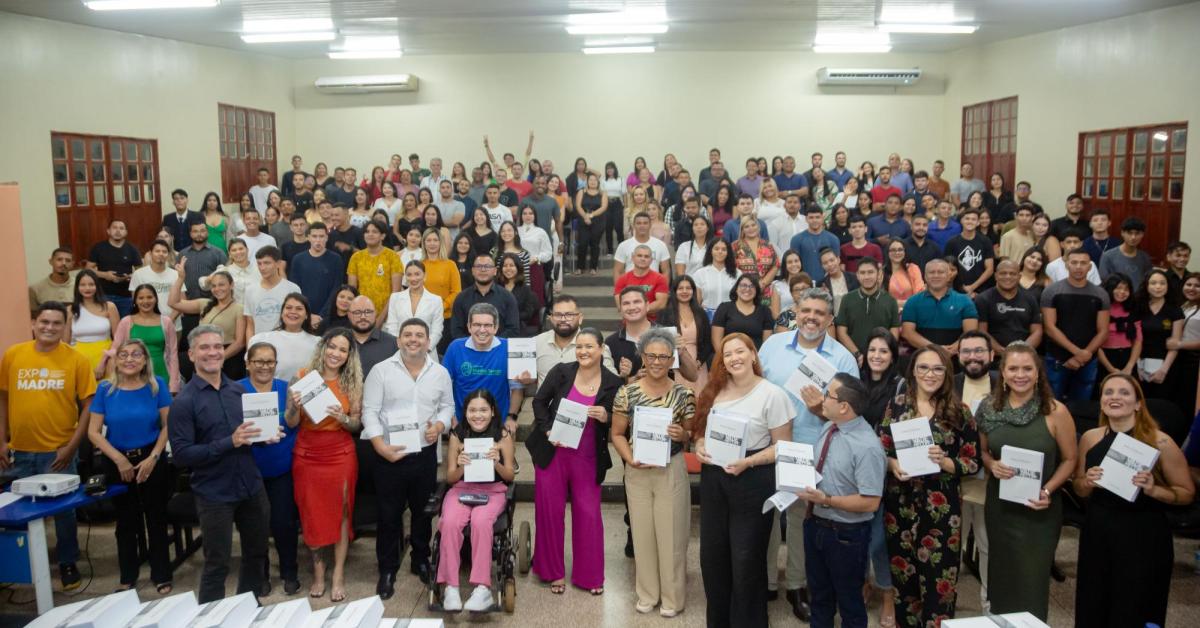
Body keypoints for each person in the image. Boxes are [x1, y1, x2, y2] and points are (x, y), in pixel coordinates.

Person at [759, 288, 859, 621]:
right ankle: (767, 580)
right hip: (770, 446)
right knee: (767, 513)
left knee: (803, 519)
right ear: (795, 312)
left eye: (819, 313)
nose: (811, 318)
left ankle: (798, 585)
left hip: (814, 450)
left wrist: (822, 410)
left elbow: (852, 413)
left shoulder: (842, 358)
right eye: (806, 311)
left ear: (830, 320)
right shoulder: (773, 345)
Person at [1072, 373, 1195, 628]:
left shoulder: (1159, 441)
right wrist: (1087, 482)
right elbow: (1079, 488)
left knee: (1135, 604)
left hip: (1143, 533)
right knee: (1095, 600)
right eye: (1109, 392)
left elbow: (1186, 493)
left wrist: (1154, 490)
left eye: (1124, 392)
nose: (1115, 397)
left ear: (1138, 403)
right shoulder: (1090, 438)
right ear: (1102, 400)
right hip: (1099, 530)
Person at [692, 333, 794, 627]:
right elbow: (699, 433)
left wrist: (747, 462)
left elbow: (782, 447)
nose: (734, 358)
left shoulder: (772, 394)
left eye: (740, 351)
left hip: (752, 479)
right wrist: (699, 446)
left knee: (745, 559)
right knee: (713, 558)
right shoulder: (713, 390)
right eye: (728, 354)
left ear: (753, 355)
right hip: (714, 481)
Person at [168, 324, 274, 603]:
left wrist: (265, 437)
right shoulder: (184, 402)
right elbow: (181, 455)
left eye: (218, 346)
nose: (213, 352)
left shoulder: (238, 391)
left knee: (256, 554)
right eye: (205, 347)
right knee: (218, 564)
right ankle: (210, 618)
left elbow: (247, 437)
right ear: (191, 354)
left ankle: (247, 608)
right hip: (214, 494)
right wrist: (230, 442)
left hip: (251, 487)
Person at [877, 346, 980, 627]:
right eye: (923, 367)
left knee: (940, 588)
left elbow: (973, 462)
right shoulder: (897, 403)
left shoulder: (960, 412)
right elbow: (881, 448)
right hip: (899, 507)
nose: (929, 374)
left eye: (937, 368)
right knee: (904, 585)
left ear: (947, 373)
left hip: (942, 512)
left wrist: (946, 462)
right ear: (913, 371)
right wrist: (892, 465)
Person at [975, 342, 1078, 620]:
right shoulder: (988, 408)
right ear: (1003, 372)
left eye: (1027, 368)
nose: (1020, 374)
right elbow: (982, 451)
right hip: (1001, 508)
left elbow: (1070, 459)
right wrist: (992, 464)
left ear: (1038, 373)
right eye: (1013, 368)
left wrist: (1048, 489)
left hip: (1039, 511)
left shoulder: (1055, 411)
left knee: (1032, 580)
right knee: (1002, 575)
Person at [0, 302, 97, 590]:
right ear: (34, 323)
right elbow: (3, 399)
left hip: (58, 451)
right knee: (16, 510)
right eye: (44, 322)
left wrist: (71, 447)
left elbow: (88, 407)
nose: (50, 328)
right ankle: (22, 564)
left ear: (65, 326)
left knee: (64, 511)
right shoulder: (13, 355)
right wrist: (2, 440)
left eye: (57, 323)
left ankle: (68, 561)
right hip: (19, 450)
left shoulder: (76, 360)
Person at [361, 318, 453, 597]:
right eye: (408, 334)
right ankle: (387, 569)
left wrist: (439, 425)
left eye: (420, 335)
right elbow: (369, 411)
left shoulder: (439, 372)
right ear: (398, 340)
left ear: (428, 341)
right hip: (389, 454)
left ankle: (420, 560)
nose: (414, 339)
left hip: (424, 455)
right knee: (388, 515)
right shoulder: (381, 371)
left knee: (423, 512)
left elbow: (447, 407)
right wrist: (379, 445)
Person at [528, 328, 623, 595]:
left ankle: (590, 575)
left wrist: (605, 416)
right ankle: (552, 572)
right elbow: (539, 402)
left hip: (587, 455)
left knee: (589, 514)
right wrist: (547, 430)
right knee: (549, 512)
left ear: (602, 349)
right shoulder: (561, 372)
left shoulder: (614, 382)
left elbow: (620, 420)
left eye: (589, 347)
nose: (583, 351)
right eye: (579, 347)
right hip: (553, 452)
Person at [609, 329, 696, 617]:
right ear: (642, 357)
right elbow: (617, 433)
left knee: (672, 534)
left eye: (663, 356)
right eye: (651, 355)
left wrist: (681, 433)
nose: (657, 361)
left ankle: (672, 598)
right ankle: (647, 594)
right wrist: (630, 459)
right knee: (643, 534)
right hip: (638, 470)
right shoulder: (627, 392)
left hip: (671, 468)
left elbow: (692, 434)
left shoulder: (684, 393)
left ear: (672, 359)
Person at [87, 337, 174, 593]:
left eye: (136, 354)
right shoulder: (105, 389)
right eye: (123, 355)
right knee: (126, 521)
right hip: (116, 459)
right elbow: (93, 432)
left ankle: (161, 574)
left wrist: (154, 457)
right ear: (116, 359)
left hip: (151, 456)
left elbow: (168, 425)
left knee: (156, 518)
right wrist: (119, 459)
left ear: (145, 359)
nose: (129, 360)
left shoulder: (157, 386)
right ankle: (128, 575)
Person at [285, 328, 363, 602]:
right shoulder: (303, 377)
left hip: (340, 453)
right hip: (307, 453)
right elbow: (291, 421)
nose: (336, 353)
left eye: (342, 350)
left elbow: (356, 424)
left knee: (342, 512)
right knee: (312, 513)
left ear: (348, 355)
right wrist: (295, 405)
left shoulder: (352, 382)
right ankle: (319, 573)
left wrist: (343, 418)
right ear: (323, 347)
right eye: (332, 347)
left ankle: (338, 573)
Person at [435, 389, 516, 612]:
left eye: (483, 410)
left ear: (492, 412)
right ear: (465, 412)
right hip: (462, 488)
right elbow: (450, 478)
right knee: (449, 522)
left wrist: (496, 463)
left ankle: (482, 588)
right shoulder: (457, 434)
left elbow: (509, 476)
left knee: (481, 521)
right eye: (472, 410)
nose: (477, 415)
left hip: (492, 490)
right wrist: (461, 464)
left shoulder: (503, 435)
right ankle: (451, 586)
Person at [238, 342, 300, 597]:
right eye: (259, 361)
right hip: (249, 469)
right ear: (248, 363)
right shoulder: (235, 390)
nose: (264, 366)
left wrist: (295, 406)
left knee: (284, 523)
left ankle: (289, 571)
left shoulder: (286, 388)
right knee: (254, 526)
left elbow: (293, 422)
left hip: (281, 466)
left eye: (269, 362)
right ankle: (259, 573)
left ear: (276, 364)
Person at [858, 329, 901, 626]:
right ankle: (864, 582)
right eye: (872, 350)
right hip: (854, 469)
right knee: (856, 535)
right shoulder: (855, 383)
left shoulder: (901, 388)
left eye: (883, 351)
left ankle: (887, 593)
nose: (877, 356)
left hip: (886, 470)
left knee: (877, 540)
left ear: (893, 356)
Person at [444, 303, 531, 431]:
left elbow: (517, 389)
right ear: (469, 327)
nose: (482, 330)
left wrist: (511, 417)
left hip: (499, 422)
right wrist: (451, 416)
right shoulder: (455, 348)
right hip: (463, 421)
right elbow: (444, 386)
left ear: (496, 328)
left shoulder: (509, 348)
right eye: (477, 325)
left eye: (488, 325)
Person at [1041, 248, 1111, 401]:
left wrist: (1084, 355)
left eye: (1083, 263)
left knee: (1082, 408)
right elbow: (1050, 328)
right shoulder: (1051, 291)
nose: (1078, 266)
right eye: (1074, 262)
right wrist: (1077, 353)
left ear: (1090, 266)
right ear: (1067, 265)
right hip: (1057, 358)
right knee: (1052, 404)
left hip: (1088, 359)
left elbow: (1103, 331)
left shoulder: (1101, 294)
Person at [170, 267, 246, 379]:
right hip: (203, 357)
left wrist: (219, 358)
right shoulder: (204, 303)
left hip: (228, 360)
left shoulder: (239, 309)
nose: (217, 289)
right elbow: (173, 302)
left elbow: (239, 342)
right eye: (214, 286)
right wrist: (181, 279)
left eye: (221, 285)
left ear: (231, 285)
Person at [105, 283, 181, 392]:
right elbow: (115, 349)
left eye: (149, 297)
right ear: (135, 301)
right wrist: (104, 363)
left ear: (156, 299)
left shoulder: (166, 322)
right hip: (132, 375)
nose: (145, 301)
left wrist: (174, 384)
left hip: (161, 372)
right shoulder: (126, 322)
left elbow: (173, 354)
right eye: (141, 298)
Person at [1133, 268, 1184, 401]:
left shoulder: (1175, 311)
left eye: (1162, 283)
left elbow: (1175, 343)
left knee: (1161, 405)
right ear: (1146, 285)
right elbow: (1134, 339)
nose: (1158, 287)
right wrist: (1137, 365)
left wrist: (1163, 370)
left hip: (1165, 366)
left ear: (1168, 286)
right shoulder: (1138, 307)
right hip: (1139, 365)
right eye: (1153, 283)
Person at [834, 259, 899, 360]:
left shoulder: (890, 301)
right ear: (857, 275)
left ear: (878, 274)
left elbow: (894, 331)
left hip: (881, 359)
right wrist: (857, 354)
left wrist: (883, 353)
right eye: (863, 273)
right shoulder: (847, 299)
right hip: (853, 358)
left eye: (871, 272)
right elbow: (841, 332)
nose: (867, 276)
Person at [658, 276, 714, 394]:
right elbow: (660, 341)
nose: (684, 291)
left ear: (693, 291)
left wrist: (698, 362)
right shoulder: (665, 313)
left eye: (688, 288)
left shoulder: (701, 313)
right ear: (674, 291)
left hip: (698, 365)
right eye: (680, 288)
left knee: (698, 404)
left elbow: (708, 342)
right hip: (674, 367)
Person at [249, 293, 321, 382]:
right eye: (288, 308)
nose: (293, 312)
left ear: (306, 315)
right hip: (273, 393)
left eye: (299, 309)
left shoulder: (318, 342)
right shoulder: (261, 339)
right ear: (282, 313)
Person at [975, 258, 1044, 352]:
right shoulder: (983, 299)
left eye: (1012, 274)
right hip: (993, 357)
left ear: (1019, 277)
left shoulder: (1030, 299)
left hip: (1024, 355)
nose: (1008, 277)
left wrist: (1021, 351)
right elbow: (981, 331)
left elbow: (1037, 331)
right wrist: (1002, 351)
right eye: (1003, 273)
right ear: (995, 276)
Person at [448, 254, 520, 339]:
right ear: (473, 271)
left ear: (495, 271)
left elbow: (513, 330)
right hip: (469, 349)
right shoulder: (461, 298)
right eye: (479, 266)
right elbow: (456, 331)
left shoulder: (508, 297)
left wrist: (491, 343)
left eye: (487, 266)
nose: (483, 269)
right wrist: (474, 344)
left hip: (498, 349)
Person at [288, 223, 345, 325]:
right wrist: (307, 314)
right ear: (308, 237)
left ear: (327, 237)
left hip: (328, 316)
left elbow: (336, 289)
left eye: (321, 236)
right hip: (302, 315)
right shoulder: (298, 259)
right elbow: (295, 289)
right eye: (314, 236)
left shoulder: (336, 259)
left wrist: (322, 315)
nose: (318, 240)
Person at [346, 221, 403, 322]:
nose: (370, 234)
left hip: (388, 317)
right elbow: (352, 291)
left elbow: (396, 293)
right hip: (361, 315)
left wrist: (380, 320)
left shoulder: (393, 257)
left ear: (383, 236)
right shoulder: (356, 258)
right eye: (367, 232)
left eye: (375, 231)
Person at [66, 269, 119, 376]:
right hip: (79, 358)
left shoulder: (109, 307)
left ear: (97, 286)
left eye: (91, 284)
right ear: (77, 287)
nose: (87, 288)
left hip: (107, 358)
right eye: (83, 285)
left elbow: (118, 339)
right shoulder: (70, 310)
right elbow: (65, 343)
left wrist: (104, 362)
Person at [382, 260, 444, 348]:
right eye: (409, 275)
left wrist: (425, 349)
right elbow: (392, 326)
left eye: (417, 274)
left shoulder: (436, 300)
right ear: (405, 277)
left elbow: (437, 330)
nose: (413, 278)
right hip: (400, 351)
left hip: (427, 353)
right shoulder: (395, 298)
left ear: (424, 276)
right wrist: (402, 348)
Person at [86, 219, 141, 317]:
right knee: (105, 326)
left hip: (126, 296)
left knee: (125, 327)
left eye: (121, 228)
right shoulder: (99, 248)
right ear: (108, 231)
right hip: (104, 295)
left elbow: (140, 271)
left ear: (126, 232)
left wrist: (131, 276)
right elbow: (88, 270)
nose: (118, 231)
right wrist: (105, 275)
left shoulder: (132, 249)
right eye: (114, 228)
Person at [243, 246, 301, 339]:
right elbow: (250, 325)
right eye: (259, 264)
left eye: (267, 263)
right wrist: (250, 349)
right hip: (259, 346)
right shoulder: (250, 290)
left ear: (278, 264)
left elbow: (298, 322)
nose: (262, 268)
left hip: (285, 343)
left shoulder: (292, 289)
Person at [1097, 273, 1141, 384]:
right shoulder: (1101, 308)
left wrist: (1130, 366)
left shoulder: (1132, 308)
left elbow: (1138, 341)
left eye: (1126, 289)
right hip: (1104, 359)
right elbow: (1095, 343)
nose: (1122, 292)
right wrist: (1110, 369)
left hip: (1128, 357)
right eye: (1118, 288)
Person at [712, 273, 775, 350]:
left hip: (755, 357)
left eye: (752, 286)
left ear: (757, 290)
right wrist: (723, 357)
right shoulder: (724, 308)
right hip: (727, 356)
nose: (747, 289)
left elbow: (767, 344)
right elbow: (716, 341)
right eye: (743, 285)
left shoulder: (765, 311)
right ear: (736, 288)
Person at [944, 208, 994, 298]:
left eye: (973, 219)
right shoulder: (951, 242)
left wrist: (972, 287)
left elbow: (990, 269)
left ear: (978, 222)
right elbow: (947, 268)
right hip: (956, 290)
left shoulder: (986, 241)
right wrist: (961, 288)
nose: (970, 221)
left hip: (981, 290)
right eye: (967, 218)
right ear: (962, 221)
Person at [791, 205, 843, 284]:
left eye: (817, 217)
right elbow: (794, 265)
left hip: (828, 283)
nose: (814, 220)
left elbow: (836, 265)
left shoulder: (833, 239)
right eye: (811, 217)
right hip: (804, 283)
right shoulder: (796, 239)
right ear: (806, 219)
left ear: (822, 218)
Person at [614, 245, 669, 318]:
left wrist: (636, 310)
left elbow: (661, 304)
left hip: (653, 325)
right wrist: (642, 310)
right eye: (639, 256)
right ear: (633, 258)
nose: (643, 259)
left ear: (651, 260)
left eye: (646, 256)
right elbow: (620, 305)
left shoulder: (660, 279)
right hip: (629, 324)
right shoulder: (622, 279)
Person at [613, 212, 672, 280]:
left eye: (645, 223)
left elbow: (666, 271)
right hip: (630, 287)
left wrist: (662, 289)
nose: (642, 226)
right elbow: (617, 271)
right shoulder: (623, 246)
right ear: (634, 225)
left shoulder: (661, 245)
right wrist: (619, 290)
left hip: (654, 287)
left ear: (650, 225)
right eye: (639, 223)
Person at [1098, 217, 1152, 290]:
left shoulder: (1145, 257)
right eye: (1129, 233)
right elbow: (1104, 283)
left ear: (1142, 235)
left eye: (1137, 233)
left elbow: (1149, 281)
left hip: (1139, 299)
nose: (1133, 237)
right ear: (1122, 233)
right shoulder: (1108, 256)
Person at [694, 239, 739, 319]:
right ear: (710, 251)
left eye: (724, 249)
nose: (720, 251)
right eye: (716, 249)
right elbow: (697, 302)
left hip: (731, 317)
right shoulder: (700, 274)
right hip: (706, 317)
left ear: (728, 252)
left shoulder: (738, 274)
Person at [573, 172, 608, 275]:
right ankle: (580, 267)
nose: (593, 182)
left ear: (598, 182)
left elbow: (603, 207)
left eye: (595, 180)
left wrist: (591, 216)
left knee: (594, 244)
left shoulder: (603, 193)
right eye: (590, 180)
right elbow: (578, 206)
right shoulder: (581, 192)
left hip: (598, 221)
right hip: (583, 221)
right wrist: (585, 216)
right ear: (587, 182)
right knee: (582, 244)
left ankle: (593, 267)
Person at [498, 252, 540, 336]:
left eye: (512, 265)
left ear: (518, 268)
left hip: (517, 327)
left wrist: (511, 316)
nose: (508, 268)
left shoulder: (525, 289)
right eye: (505, 266)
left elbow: (528, 313)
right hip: (496, 327)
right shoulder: (495, 287)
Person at [29, 247, 77, 313]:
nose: (63, 263)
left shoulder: (79, 286)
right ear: (51, 261)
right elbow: (34, 317)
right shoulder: (35, 289)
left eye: (68, 260)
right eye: (59, 259)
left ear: (72, 264)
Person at [883, 240, 925, 308]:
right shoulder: (881, 272)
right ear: (887, 252)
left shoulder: (913, 268)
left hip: (911, 311)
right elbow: (881, 299)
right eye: (893, 250)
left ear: (905, 252)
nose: (897, 252)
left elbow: (920, 294)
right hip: (890, 312)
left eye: (900, 250)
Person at [817, 247, 859, 314]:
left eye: (832, 260)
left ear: (838, 259)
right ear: (822, 266)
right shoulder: (821, 283)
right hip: (833, 321)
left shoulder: (854, 278)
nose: (830, 264)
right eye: (825, 263)